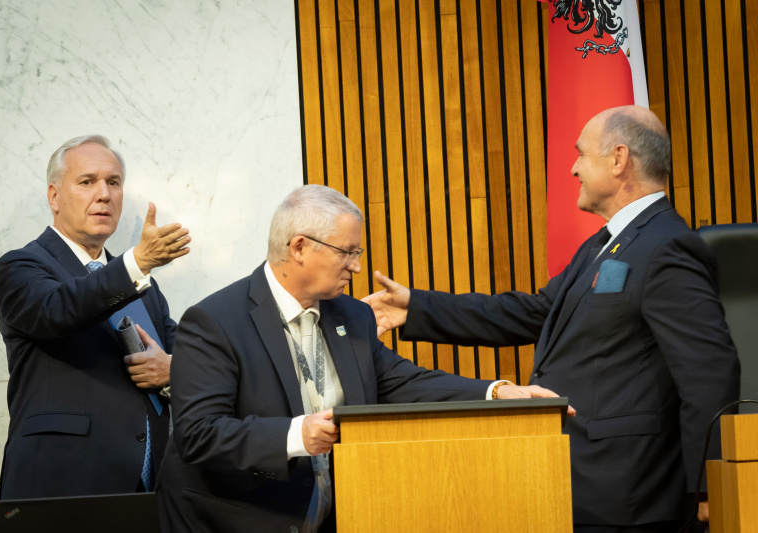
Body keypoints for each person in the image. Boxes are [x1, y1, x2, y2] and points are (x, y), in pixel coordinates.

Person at [363, 106, 740, 532]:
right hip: (578, 481)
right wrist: (415, 307)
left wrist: (708, 487)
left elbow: (709, 371)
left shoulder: (668, 246)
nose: (573, 167)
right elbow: (530, 313)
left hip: (631, 496)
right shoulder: (605, 243)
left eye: (581, 154)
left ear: (618, 160)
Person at [156, 184, 565, 533]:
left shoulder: (350, 315)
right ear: (299, 247)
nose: (355, 265)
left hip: (337, 515)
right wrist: (296, 435)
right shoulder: (215, 320)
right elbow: (199, 433)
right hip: (235, 519)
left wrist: (497, 392)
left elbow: (401, 381)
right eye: (346, 252)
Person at [0, 135, 191, 500]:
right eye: (87, 182)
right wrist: (136, 263)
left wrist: (173, 369)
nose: (104, 194)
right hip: (63, 487)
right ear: (54, 196)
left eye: (113, 183)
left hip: (151, 492)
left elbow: (188, 353)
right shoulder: (20, 266)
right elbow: (56, 311)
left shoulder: (141, 283)